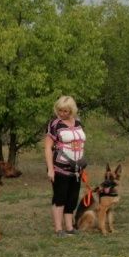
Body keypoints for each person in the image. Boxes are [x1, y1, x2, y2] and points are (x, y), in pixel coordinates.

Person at [43, 96, 86, 236]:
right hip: (59, 167)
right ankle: (58, 229)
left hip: (76, 169)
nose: (62, 113)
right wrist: (50, 169)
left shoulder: (78, 122)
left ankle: (69, 227)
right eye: (60, 110)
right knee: (60, 197)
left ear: (72, 110)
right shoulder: (55, 124)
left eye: (66, 111)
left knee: (72, 198)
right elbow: (48, 147)